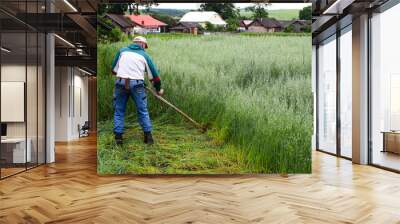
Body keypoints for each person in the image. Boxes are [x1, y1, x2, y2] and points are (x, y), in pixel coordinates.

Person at [111, 36, 163, 145]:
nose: (145, 48)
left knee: (119, 111)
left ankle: (118, 138)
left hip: (120, 82)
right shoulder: (145, 55)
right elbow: (155, 77)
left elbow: (113, 70)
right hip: (137, 85)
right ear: (143, 44)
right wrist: (158, 89)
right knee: (142, 110)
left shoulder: (122, 51)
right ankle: (148, 138)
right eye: (145, 46)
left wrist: (126, 75)